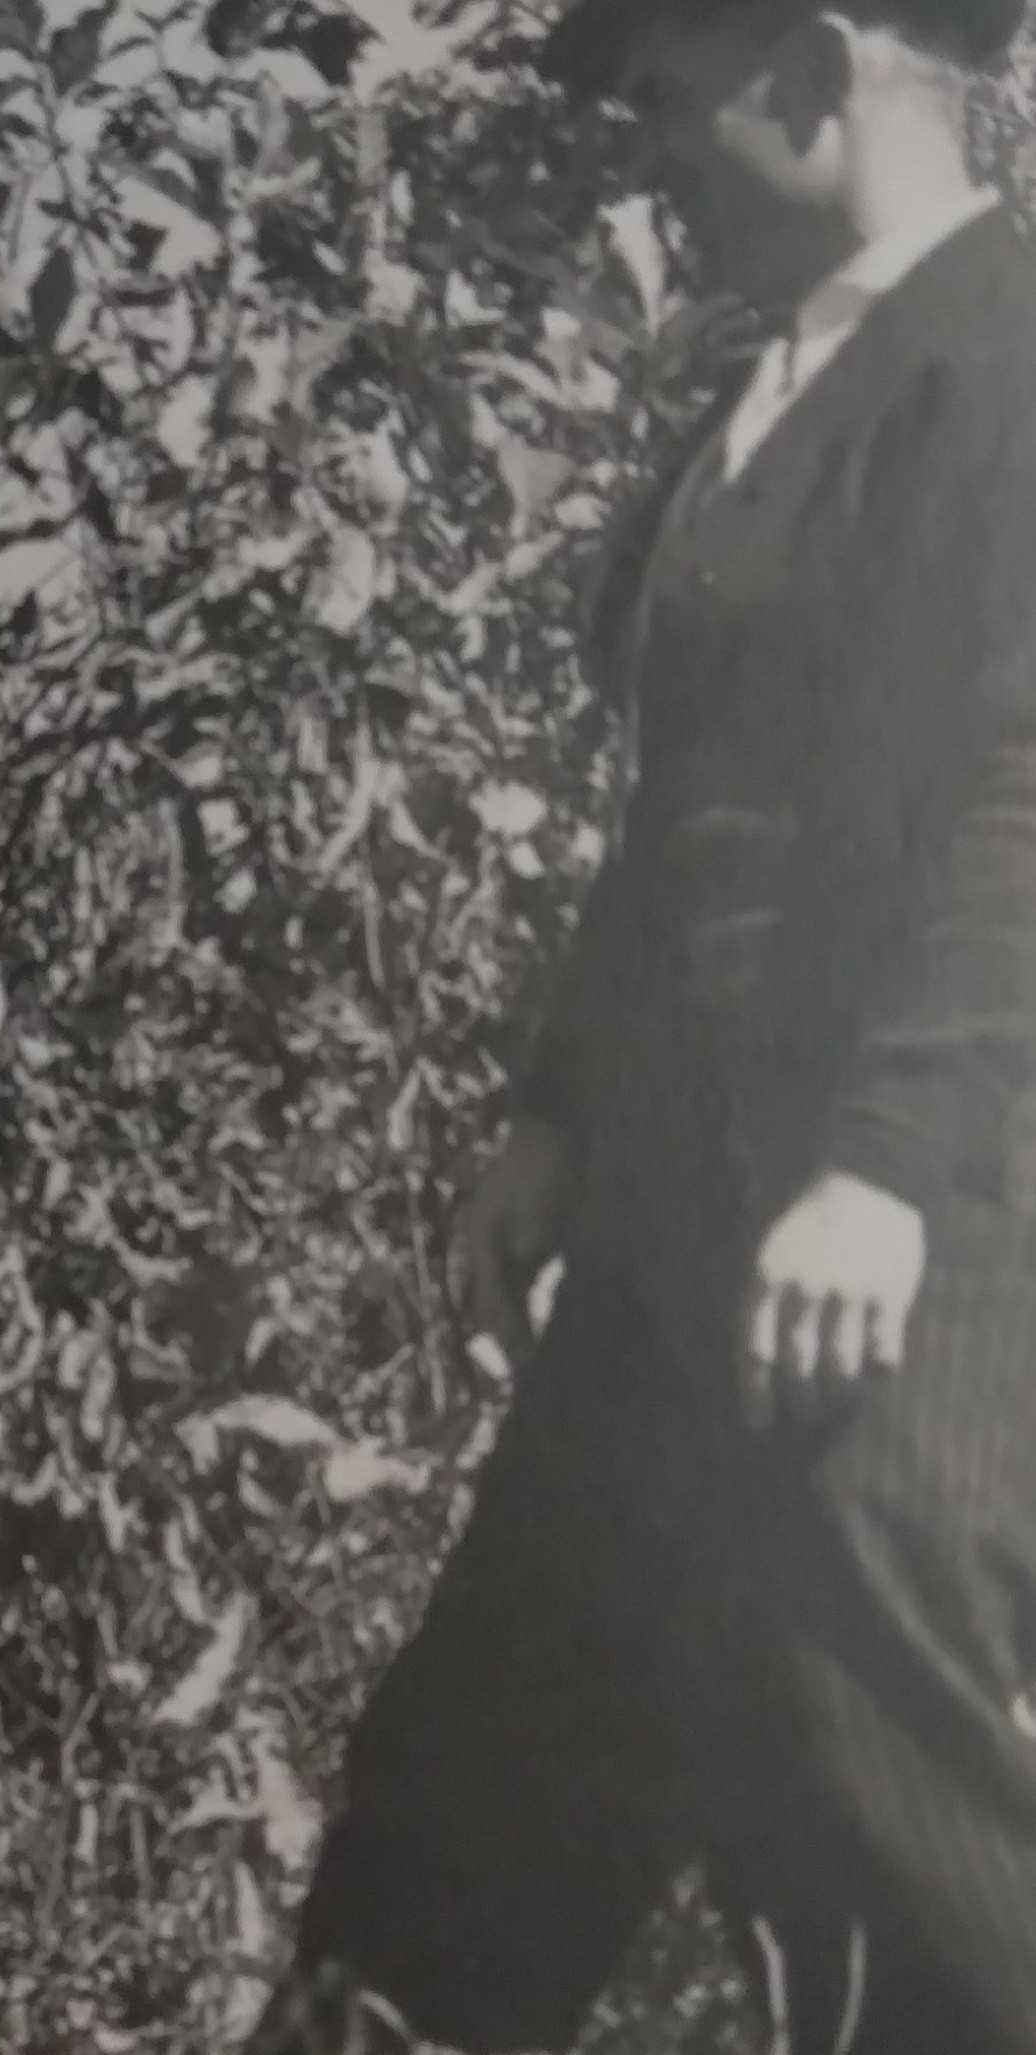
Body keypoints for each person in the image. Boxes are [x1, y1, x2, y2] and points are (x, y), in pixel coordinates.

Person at [249, 0, 1036, 2046]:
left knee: (892, 1833)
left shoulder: (1009, 354)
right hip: (677, 1241)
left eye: (665, 91)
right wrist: (555, 1109)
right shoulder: (762, 386)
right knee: (457, 1820)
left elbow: (1021, 783)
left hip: (900, 1246)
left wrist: (881, 1164)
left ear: (803, 69)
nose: (643, 147)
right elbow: (691, 808)